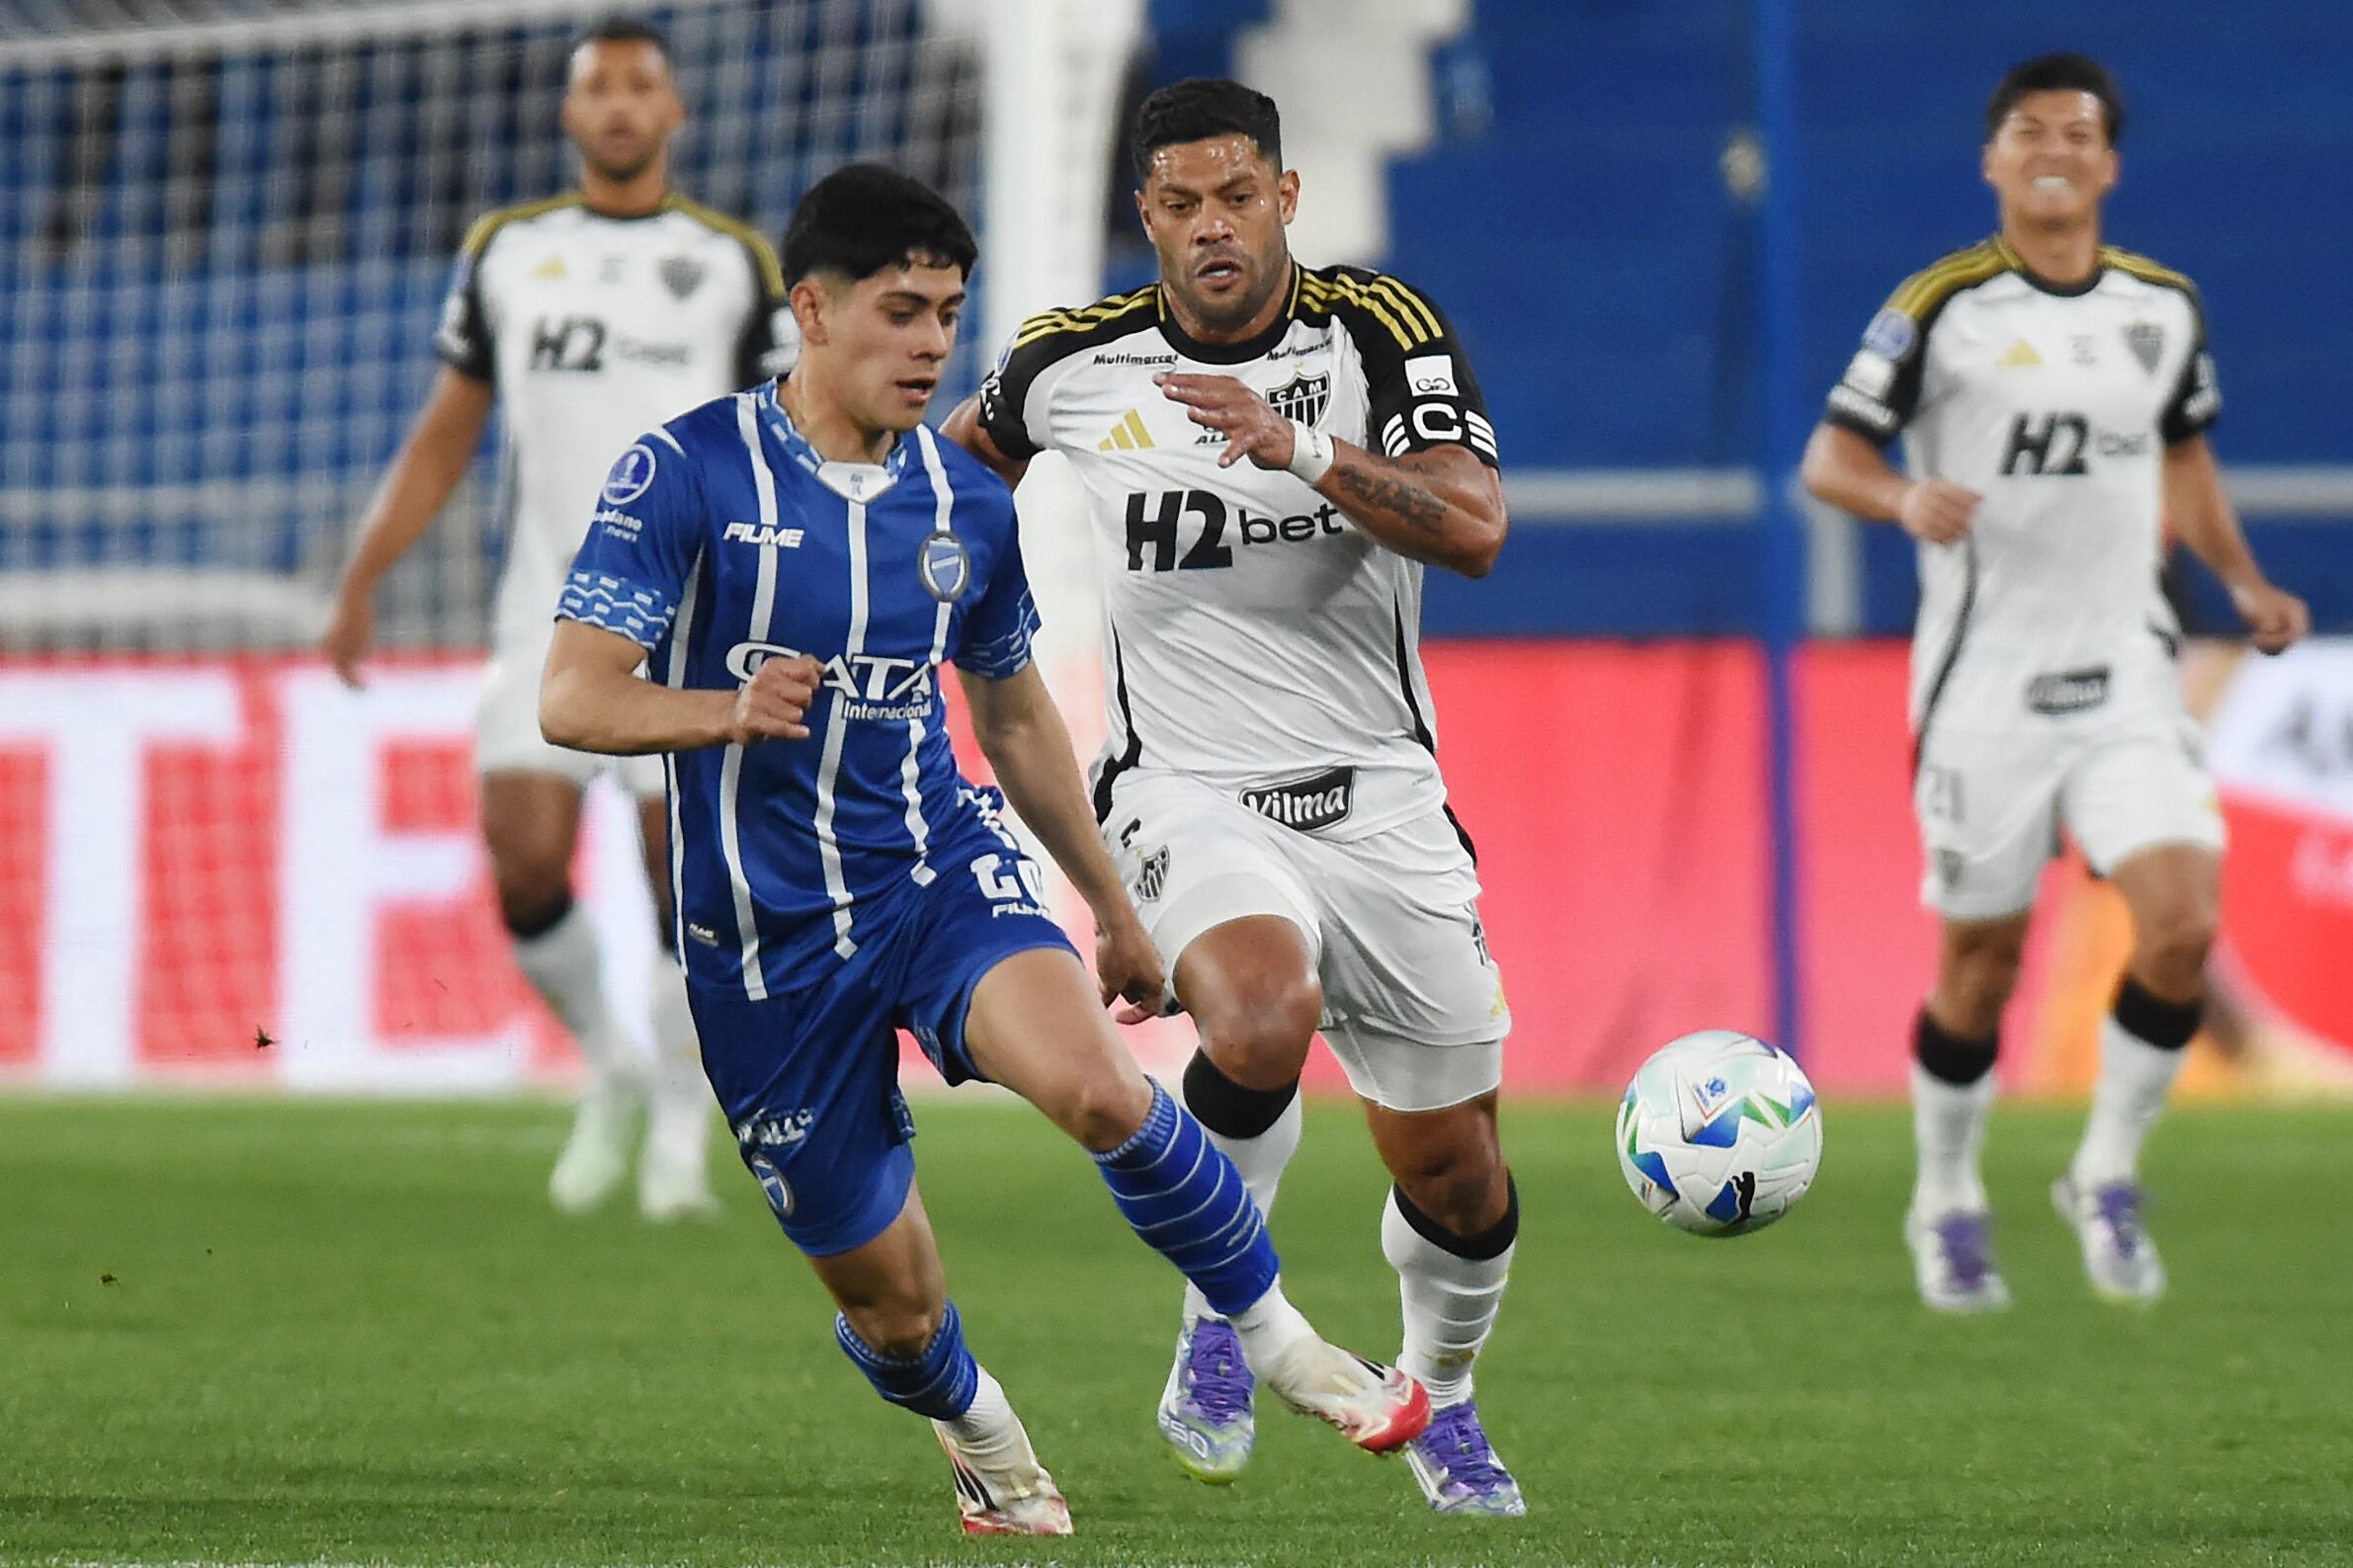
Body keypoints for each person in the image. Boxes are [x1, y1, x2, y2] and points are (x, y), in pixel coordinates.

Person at [538, 162, 1429, 1537]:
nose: (931, 345)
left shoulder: (963, 502)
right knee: (891, 1303)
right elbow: (573, 694)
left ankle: (1280, 1335)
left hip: (935, 872)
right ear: (812, 310)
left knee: (1101, 1088)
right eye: (901, 311)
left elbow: (1010, 714)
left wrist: (1116, 905)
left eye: (950, 313)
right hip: (763, 944)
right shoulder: (687, 470)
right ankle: (981, 1432)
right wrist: (722, 707)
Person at [942, 79, 1523, 1515]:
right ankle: (1228, 1308)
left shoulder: (1380, 330)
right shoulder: (1069, 363)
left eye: (1238, 196)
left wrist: (1302, 448)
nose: (1213, 227)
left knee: (1457, 1174)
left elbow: (1478, 532)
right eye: (1182, 203)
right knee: (1260, 1011)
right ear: (1145, 213)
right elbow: (938, 484)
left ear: (1285, 196)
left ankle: (1441, 1397)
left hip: (1383, 792)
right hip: (1184, 785)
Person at [1801, 52, 2309, 1312]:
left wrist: (2239, 581)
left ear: (2106, 163)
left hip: (2126, 674)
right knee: (1981, 965)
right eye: (2028, 130)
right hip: (1985, 688)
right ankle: (1945, 1194)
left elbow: (2181, 458)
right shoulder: (1940, 307)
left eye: (2076, 133)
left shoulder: (2161, 308)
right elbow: (1828, 454)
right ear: (1992, 159)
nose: (2052, 148)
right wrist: (1897, 492)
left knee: (2182, 923)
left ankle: (2102, 1171)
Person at [320, 17, 791, 1217]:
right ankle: (615, 1066)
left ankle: (681, 1127)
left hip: (690, 619)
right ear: (571, 115)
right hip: (542, 608)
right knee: (523, 866)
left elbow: (783, 440)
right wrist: (364, 574)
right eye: (600, 88)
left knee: (675, 886)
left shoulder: (731, 261)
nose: (623, 105)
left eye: (643, 85)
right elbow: (447, 430)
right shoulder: (507, 253)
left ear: (674, 112)